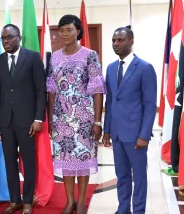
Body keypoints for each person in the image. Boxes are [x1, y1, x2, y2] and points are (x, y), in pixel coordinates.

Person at [46, 14, 105, 214]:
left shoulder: (90, 55)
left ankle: (80, 202)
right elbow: (51, 90)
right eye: (61, 30)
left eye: (69, 29)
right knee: (66, 161)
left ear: (78, 31)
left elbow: (97, 89)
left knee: (82, 161)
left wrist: (97, 121)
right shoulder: (54, 57)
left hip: (84, 119)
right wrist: (51, 120)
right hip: (61, 119)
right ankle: (69, 200)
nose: (64, 33)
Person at [0, 24, 46, 214]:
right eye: (3, 38)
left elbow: (40, 89)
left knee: (29, 161)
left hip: (28, 121)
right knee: (9, 161)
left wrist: (39, 118)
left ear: (19, 37)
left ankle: (28, 200)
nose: (6, 41)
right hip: (5, 122)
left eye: (9, 37)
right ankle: (15, 200)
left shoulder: (32, 57)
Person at [102, 27, 157, 214]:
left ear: (131, 42)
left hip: (136, 134)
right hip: (117, 133)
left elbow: (150, 105)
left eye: (120, 40)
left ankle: (139, 210)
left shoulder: (145, 68)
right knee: (122, 175)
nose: (116, 44)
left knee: (139, 177)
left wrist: (144, 135)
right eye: (114, 40)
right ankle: (123, 208)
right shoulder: (110, 68)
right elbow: (110, 101)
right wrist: (106, 130)